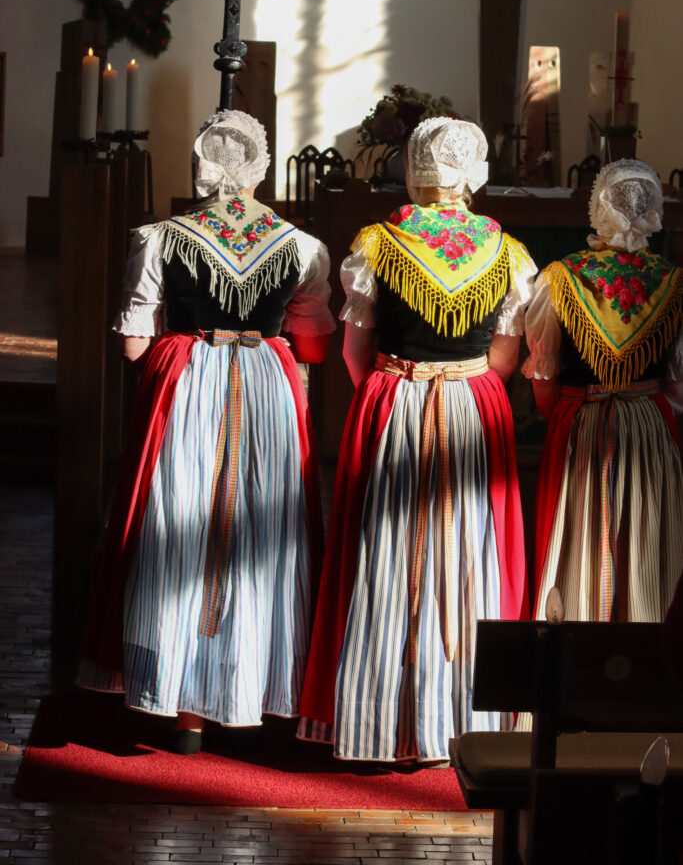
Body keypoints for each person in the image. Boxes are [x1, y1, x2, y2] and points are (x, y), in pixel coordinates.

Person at [78, 110, 336, 753]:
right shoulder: (300, 246)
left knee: (180, 527)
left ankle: (180, 700)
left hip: (189, 390)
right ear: (260, 165)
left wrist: (184, 331)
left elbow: (136, 347)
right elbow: (314, 347)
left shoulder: (162, 237)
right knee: (259, 533)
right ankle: (245, 690)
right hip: (267, 396)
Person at [297, 117, 536, 763]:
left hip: (396, 399)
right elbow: (506, 356)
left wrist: (397, 386)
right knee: (467, 554)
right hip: (469, 406)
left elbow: (353, 351)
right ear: (473, 172)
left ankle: (384, 719)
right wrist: (459, 380)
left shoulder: (377, 244)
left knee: (388, 552)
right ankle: (455, 718)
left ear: (415, 168)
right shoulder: (508, 252)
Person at [523, 158, 683, 623]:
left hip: (582, 421)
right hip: (648, 424)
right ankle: (647, 646)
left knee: (579, 534)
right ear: (652, 211)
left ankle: (578, 634)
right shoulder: (673, 283)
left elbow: (545, 383)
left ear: (599, 208)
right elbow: (677, 386)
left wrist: (565, 414)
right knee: (645, 538)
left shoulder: (561, 278)